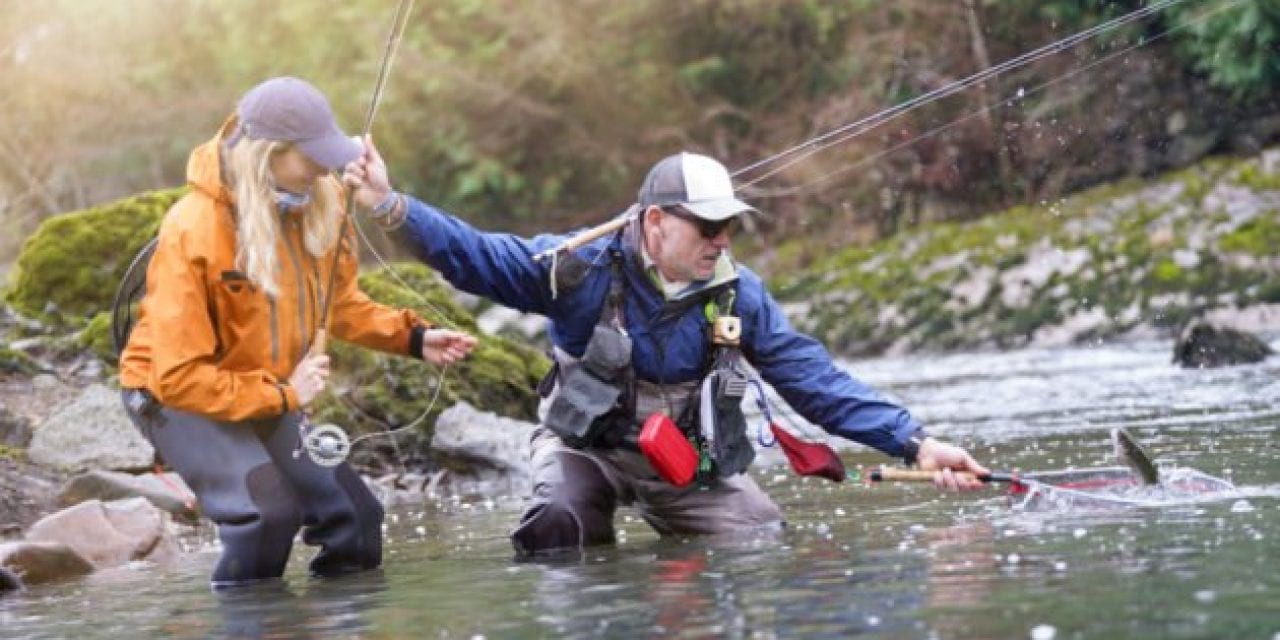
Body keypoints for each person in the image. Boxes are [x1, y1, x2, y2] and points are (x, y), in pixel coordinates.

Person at [344, 146, 989, 558]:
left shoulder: (740, 294)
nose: (721, 240)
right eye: (707, 227)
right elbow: (477, 257)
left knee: (759, 540)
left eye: (729, 226)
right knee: (556, 530)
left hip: (685, 466)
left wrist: (915, 443)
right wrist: (390, 206)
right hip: (585, 451)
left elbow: (812, 378)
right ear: (656, 223)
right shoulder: (579, 267)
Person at [117, 77, 477, 586]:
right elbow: (177, 377)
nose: (324, 170)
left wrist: (414, 338)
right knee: (265, 520)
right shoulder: (194, 227)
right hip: (175, 397)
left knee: (356, 519)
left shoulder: (317, 200)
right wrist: (285, 394)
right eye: (311, 159)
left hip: (266, 391)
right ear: (267, 154)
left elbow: (340, 306)